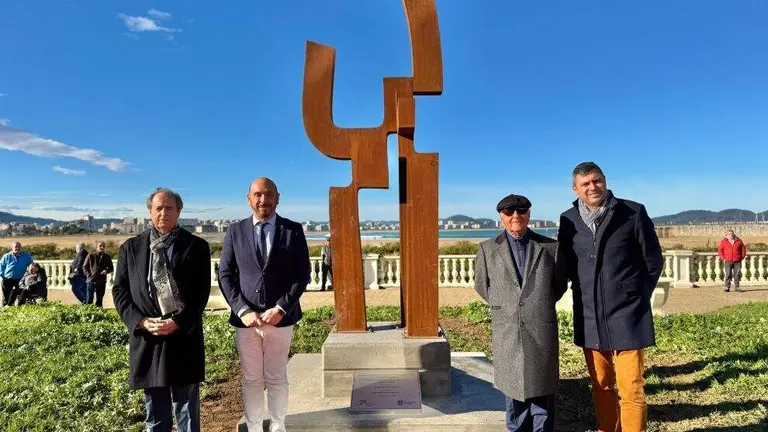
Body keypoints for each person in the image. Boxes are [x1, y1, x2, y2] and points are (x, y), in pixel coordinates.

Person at [557, 162, 663, 432]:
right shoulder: (568, 219)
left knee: (632, 387)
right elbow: (566, 265)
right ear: (575, 189)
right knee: (601, 384)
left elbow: (652, 261)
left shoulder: (632, 212)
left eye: (597, 181)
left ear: (604, 180)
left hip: (628, 314)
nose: (592, 187)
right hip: (589, 314)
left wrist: (636, 296)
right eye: (585, 184)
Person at [112, 188, 211, 432]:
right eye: (158, 208)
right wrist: (141, 321)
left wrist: (180, 321)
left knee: (187, 410)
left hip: (183, 335)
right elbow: (120, 291)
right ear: (149, 211)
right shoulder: (130, 249)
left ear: (178, 211)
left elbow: (201, 293)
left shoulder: (196, 247)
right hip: (149, 337)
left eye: (169, 208)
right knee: (155, 413)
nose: (163, 212)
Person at [218, 177, 311, 432]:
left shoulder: (293, 230)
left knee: (277, 377)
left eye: (269, 194)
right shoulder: (235, 231)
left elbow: (302, 274)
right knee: (251, 379)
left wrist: (282, 307)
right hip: (246, 321)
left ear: (278, 198)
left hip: (280, 320)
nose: (263, 200)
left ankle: (278, 426)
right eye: (258, 194)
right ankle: (254, 426)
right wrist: (243, 310)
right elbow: (225, 274)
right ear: (248, 198)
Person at [474, 194, 567, 432]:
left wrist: (537, 304)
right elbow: (482, 286)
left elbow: (559, 285)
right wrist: (505, 305)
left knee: (542, 387)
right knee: (513, 386)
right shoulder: (487, 249)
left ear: (528, 215)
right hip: (507, 327)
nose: (515, 216)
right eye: (509, 212)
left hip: (540, 326)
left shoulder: (550, 247)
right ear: (501, 217)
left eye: (521, 211)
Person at [0, 242, 34, 307]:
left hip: (20, 279)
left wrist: (30, 273)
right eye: (15, 247)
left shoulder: (26, 256)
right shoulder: (6, 256)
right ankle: (6, 308)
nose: (17, 248)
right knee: (6, 294)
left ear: (21, 248)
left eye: (19, 246)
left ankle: (19, 306)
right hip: (7, 278)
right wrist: (3, 275)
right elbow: (1, 266)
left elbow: (31, 265)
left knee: (20, 293)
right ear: (12, 248)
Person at [83, 241, 115, 307]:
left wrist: (106, 271)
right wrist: (89, 275)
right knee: (89, 299)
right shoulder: (90, 255)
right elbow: (84, 267)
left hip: (101, 281)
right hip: (91, 280)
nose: (102, 247)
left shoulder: (107, 257)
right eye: (100, 246)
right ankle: (88, 313)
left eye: (103, 246)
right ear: (96, 247)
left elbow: (111, 268)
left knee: (99, 299)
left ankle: (99, 314)